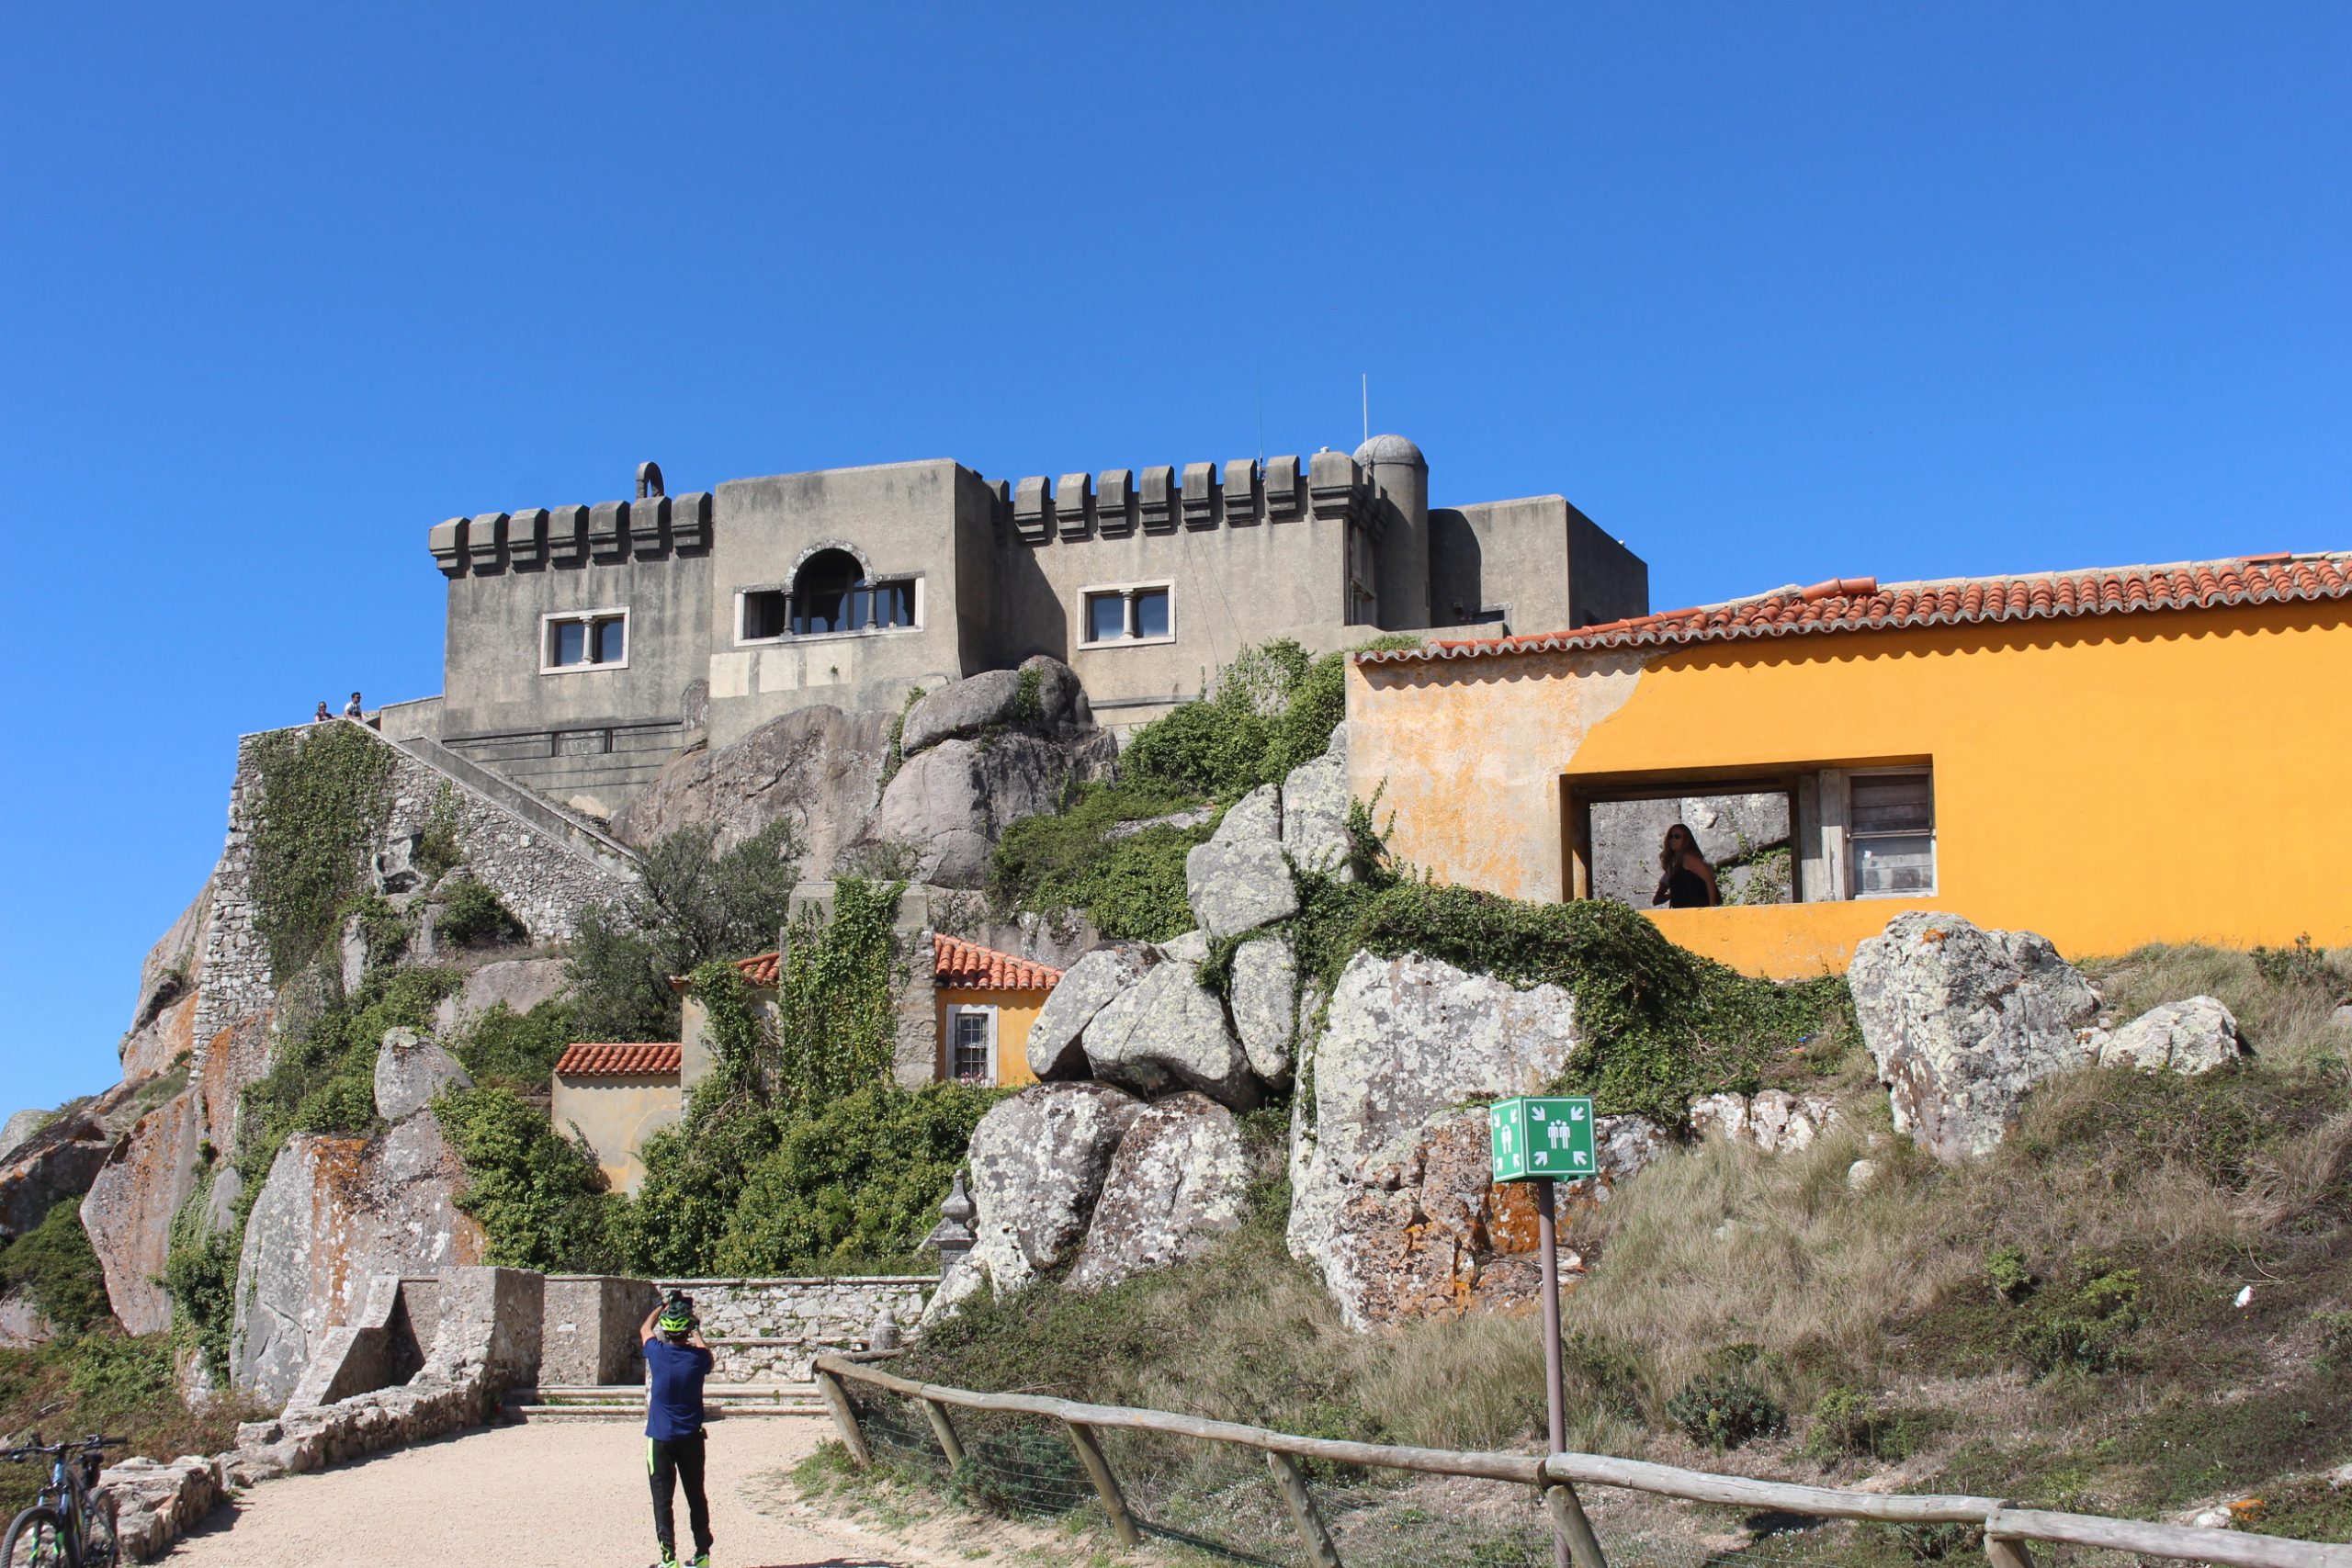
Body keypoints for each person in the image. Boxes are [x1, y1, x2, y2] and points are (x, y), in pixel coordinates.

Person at [641, 1292, 715, 1568]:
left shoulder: (657, 1353)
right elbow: (708, 1355)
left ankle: (668, 1559)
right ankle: (702, 1555)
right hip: (692, 1439)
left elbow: (645, 1329)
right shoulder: (698, 1359)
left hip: (660, 1438)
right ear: (687, 1330)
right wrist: (696, 1329)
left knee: (662, 1500)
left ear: (667, 1331)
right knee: (696, 1495)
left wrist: (660, 1307)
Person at [1650, 823, 1720, 908]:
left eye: (1677, 836)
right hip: (1684, 912)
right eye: (1670, 836)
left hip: (1697, 910)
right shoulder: (1674, 865)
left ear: (1685, 840)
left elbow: (1709, 880)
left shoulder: (1688, 858)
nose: (1673, 839)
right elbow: (1657, 899)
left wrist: (1711, 909)